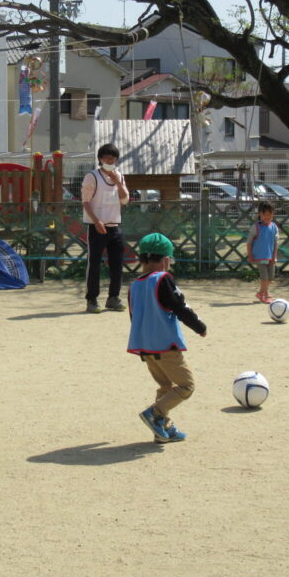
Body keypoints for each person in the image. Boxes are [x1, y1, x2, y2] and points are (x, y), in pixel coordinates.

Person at [128, 232, 207, 443]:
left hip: (145, 347)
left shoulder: (135, 285)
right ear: (165, 260)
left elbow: (134, 317)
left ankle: (163, 427)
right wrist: (199, 326)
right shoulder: (163, 280)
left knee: (165, 387)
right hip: (166, 346)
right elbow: (180, 307)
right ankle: (154, 414)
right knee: (186, 385)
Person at [81, 143, 130, 313]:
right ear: (100, 159)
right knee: (94, 263)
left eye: (113, 158)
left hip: (114, 226)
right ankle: (92, 299)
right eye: (107, 158)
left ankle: (113, 298)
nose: (111, 161)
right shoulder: (92, 177)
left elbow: (125, 200)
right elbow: (85, 202)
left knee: (117, 264)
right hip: (97, 227)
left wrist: (118, 183)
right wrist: (96, 221)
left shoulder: (119, 177)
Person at [247, 201, 279, 303]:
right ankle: (265, 295)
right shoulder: (256, 227)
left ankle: (261, 292)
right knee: (264, 277)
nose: (267, 217)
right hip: (259, 256)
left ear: (273, 215)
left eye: (270, 214)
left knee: (271, 277)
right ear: (260, 214)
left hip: (270, 256)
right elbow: (249, 242)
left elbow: (276, 243)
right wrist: (250, 254)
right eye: (265, 214)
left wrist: (274, 256)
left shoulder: (274, 227)